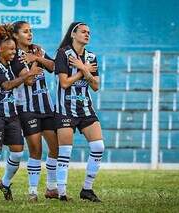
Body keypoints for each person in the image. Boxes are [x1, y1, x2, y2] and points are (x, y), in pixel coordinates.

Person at [0, 23, 42, 202]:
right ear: (0, 49)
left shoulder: (11, 64)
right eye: (10, 49)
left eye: (14, 49)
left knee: (17, 153)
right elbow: (7, 85)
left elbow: (25, 78)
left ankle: (5, 183)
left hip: (11, 113)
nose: (13, 52)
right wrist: (27, 75)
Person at [54, 22, 105, 202]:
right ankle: (61, 193)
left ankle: (87, 189)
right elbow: (65, 83)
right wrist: (83, 71)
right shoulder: (63, 54)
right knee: (66, 150)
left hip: (85, 109)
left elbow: (96, 86)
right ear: (73, 34)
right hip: (65, 109)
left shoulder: (91, 56)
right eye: (83, 32)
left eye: (89, 32)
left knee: (99, 147)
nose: (87, 34)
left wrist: (83, 68)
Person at [10, 21, 59, 201]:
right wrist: (32, 67)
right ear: (16, 36)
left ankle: (52, 189)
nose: (30, 34)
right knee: (36, 150)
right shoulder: (14, 56)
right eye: (25, 32)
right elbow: (29, 81)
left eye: (31, 31)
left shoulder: (37, 50)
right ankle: (32, 191)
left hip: (46, 107)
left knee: (56, 147)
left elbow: (53, 67)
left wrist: (37, 58)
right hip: (27, 109)